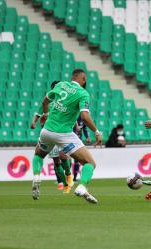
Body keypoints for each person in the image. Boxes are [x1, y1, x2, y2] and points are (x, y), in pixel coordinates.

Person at [31, 69, 103, 203]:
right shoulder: (83, 93)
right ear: (83, 79)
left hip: (47, 130)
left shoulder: (60, 85)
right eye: (85, 79)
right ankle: (81, 187)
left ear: (72, 77)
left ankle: (36, 176)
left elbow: (44, 102)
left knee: (38, 155)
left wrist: (45, 115)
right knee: (90, 163)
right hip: (64, 133)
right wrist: (96, 131)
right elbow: (85, 117)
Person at [30, 80, 73, 193]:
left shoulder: (63, 102)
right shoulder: (47, 102)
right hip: (50, 133)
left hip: (61, 133)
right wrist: (34, 122)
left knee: (63, 157)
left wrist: (76, 125)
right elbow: (38, 113)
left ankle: (69, 175)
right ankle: (65, 185)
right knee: (56, 161)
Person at [72, 115, 91, 181]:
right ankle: (65, 178)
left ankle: (74, 178)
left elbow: (84, 128)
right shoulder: (72, 117)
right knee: (66, 159)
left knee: (77, 160)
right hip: (69, 141)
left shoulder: (83, 119)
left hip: (78, 142)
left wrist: (87, 137)